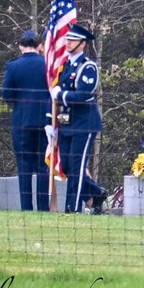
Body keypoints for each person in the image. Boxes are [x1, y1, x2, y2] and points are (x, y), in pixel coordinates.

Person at [54, 26, 106, 214]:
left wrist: (62, 94)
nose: (68, 42)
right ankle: (95, 191)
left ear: (83, 43)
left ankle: (73, 208)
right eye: (67, 39)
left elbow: (84, 95)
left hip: (84, 123)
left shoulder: (88, 66)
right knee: (66, 166)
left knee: (77, 167)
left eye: (73, 40)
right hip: (67, 123)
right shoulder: (66, 65)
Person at [0, 30, 51, 211]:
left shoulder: (13, 66)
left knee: (24, 166)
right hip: (45, 121)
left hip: (21, 121)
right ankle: (43, 207)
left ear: (20, 46)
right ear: (39, 46)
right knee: (43, 165)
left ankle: (26, 207)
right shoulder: (48, 65)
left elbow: (6, 95)